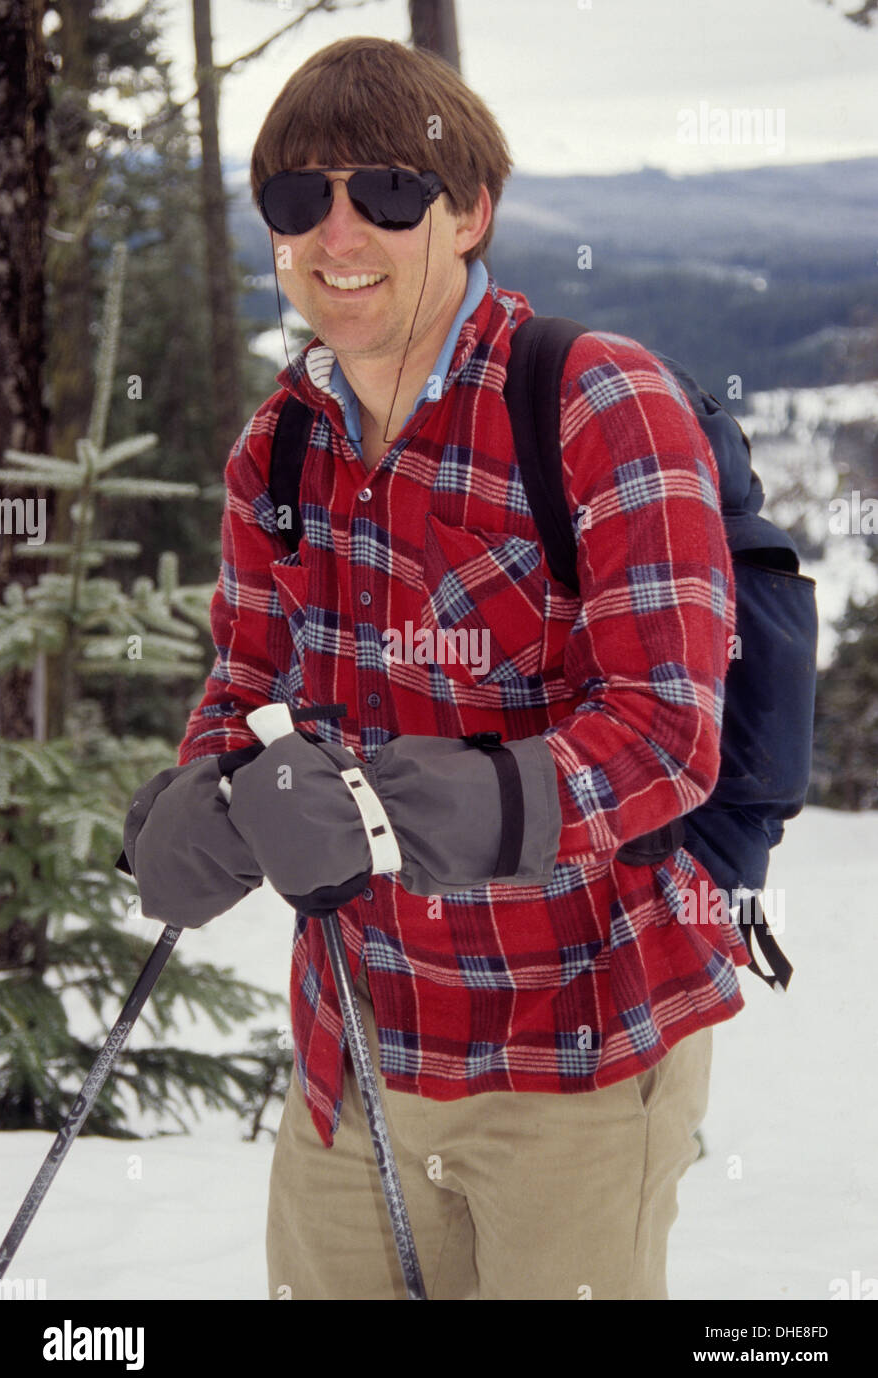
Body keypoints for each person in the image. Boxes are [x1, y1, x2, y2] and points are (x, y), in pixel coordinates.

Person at [121, 35, 752, 1301]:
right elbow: (244, 691)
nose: (339, 231)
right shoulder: (276, 452)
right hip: (353, 1054)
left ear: (470, 212)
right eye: (301, 201)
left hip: (572, 1053)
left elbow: (664, 734)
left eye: (389, 193)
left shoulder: (593, 401)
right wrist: (202, 808)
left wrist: (388, 811)